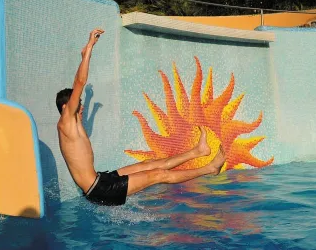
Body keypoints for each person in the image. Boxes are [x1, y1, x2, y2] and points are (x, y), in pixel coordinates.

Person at [56, 28, 226, 206]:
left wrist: (89, 99)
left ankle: (197, 152)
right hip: (99, 190)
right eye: (78, 103)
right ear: (65, 107)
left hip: (101, 179)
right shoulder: (66, 122)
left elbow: (80, 94)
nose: (81, 107)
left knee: (149, 164)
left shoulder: (74, 125)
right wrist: (88, 50)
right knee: (159, 175)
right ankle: (210, 168)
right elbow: (79, 82)